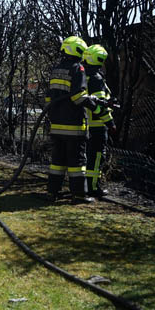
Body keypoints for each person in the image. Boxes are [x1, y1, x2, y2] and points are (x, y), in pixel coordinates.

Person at [46, 36, 108, 203]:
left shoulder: (56, 69)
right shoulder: (77, 68)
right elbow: (78, 97)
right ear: (79, 51)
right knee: (77, 163)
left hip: (56, 125)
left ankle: (52, 193)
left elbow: (48, 98)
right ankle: (79, 195)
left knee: (57, 162)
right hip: (73, 125)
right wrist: (95, 105)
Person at [82, 44, 117, 197]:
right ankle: (93, 187)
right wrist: (110, 123)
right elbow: (99, 106)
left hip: (84, 124)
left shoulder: (82, 75)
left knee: (85, 157)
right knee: (96, 157)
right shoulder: (96, 78)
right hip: (97, 126)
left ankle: (84, 185)